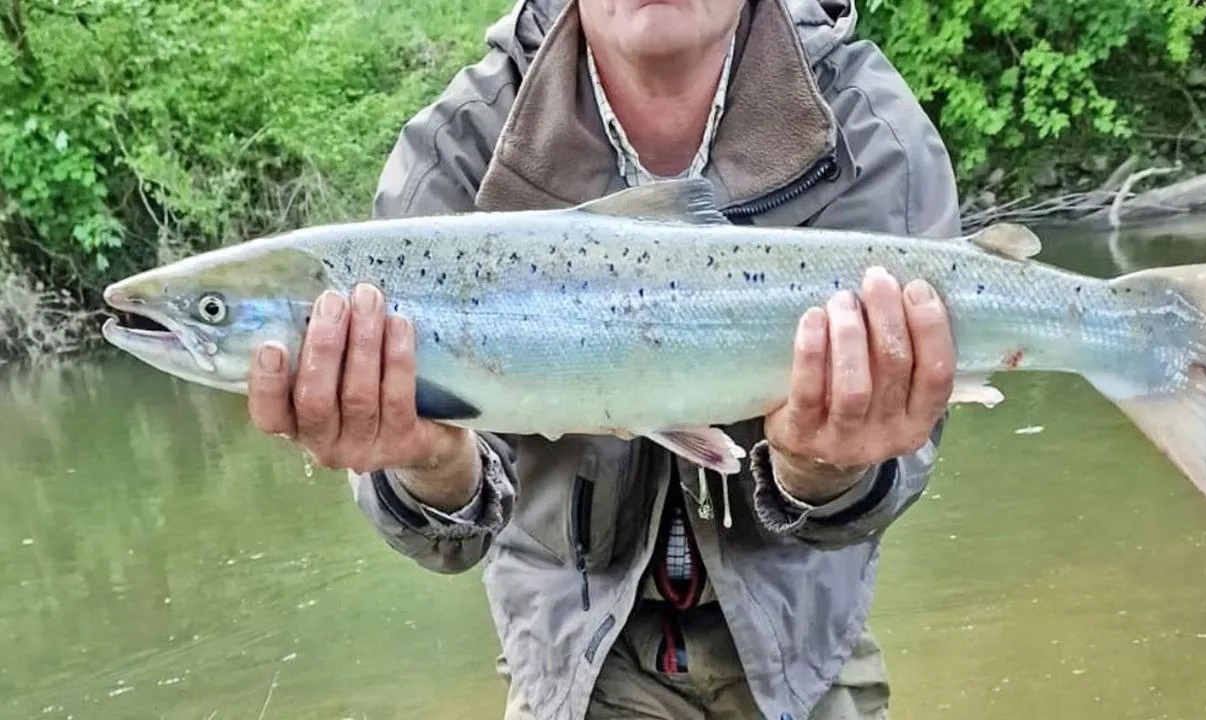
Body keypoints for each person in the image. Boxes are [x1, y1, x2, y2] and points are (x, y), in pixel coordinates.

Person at [246, 0, 961, 718]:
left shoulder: (866, 125)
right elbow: (442, 536)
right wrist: (428, 465)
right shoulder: (464, 145)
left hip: (800, 646)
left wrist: (823, 471)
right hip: (570, 653)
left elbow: (891, 479)